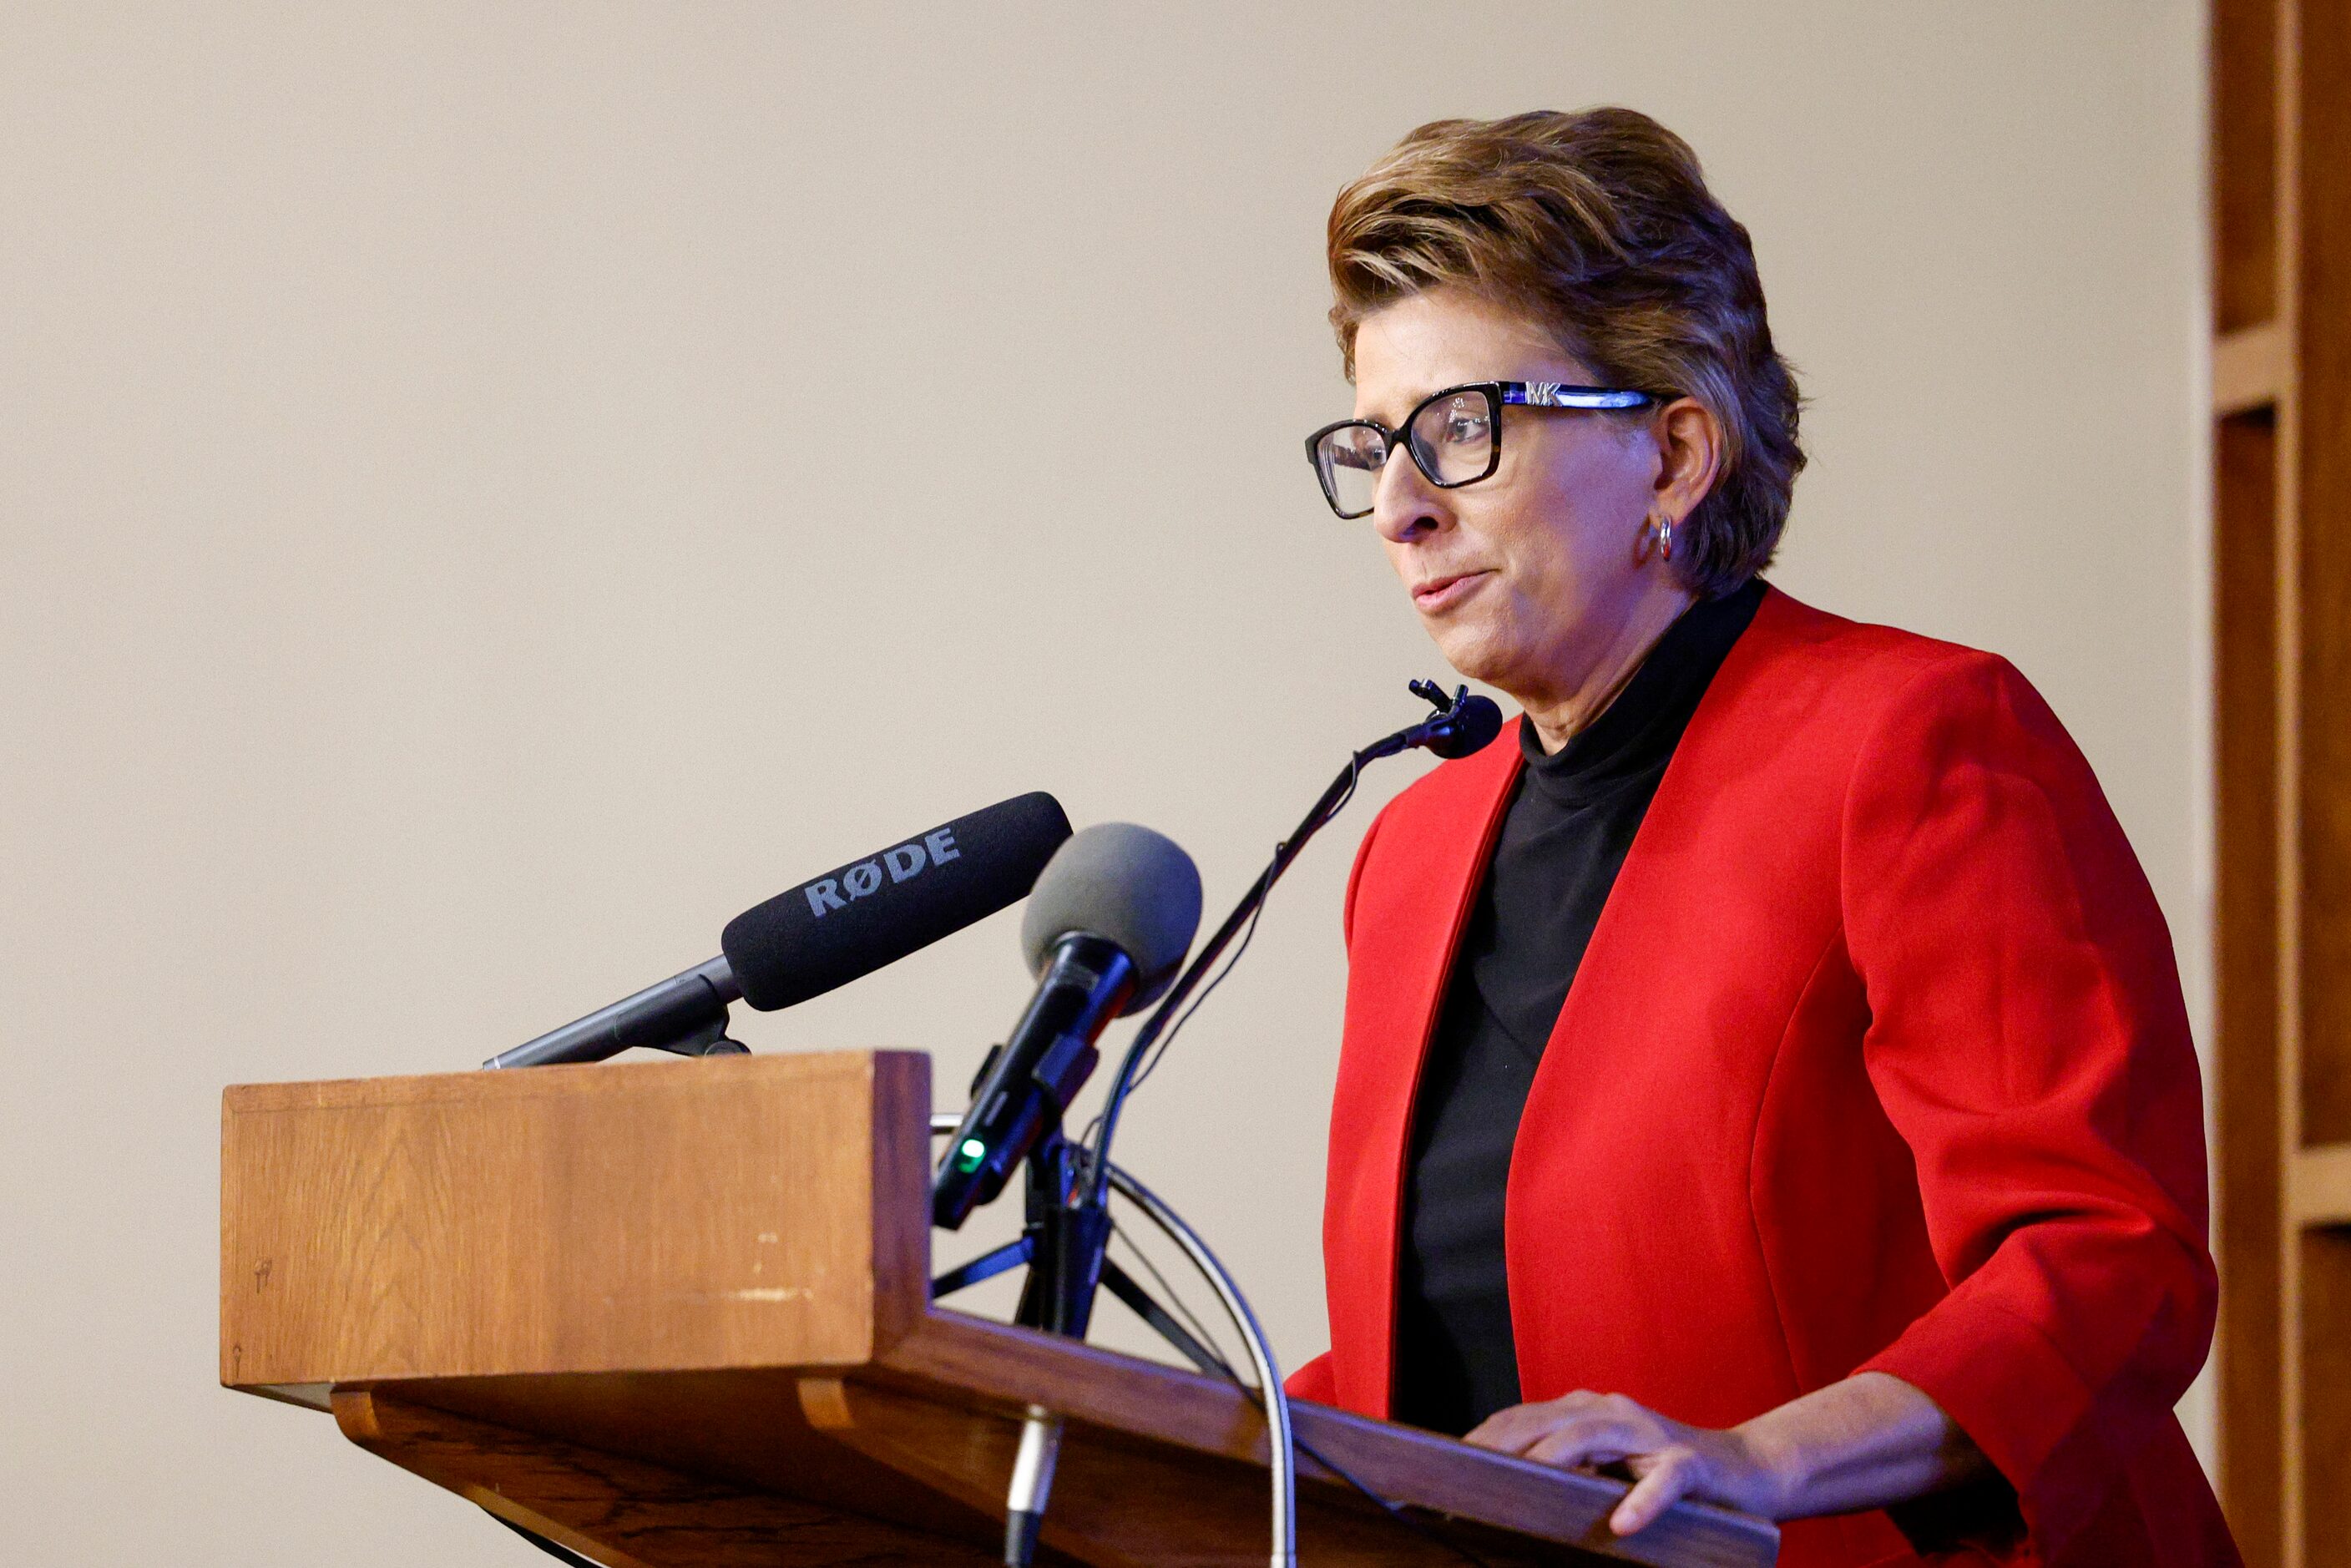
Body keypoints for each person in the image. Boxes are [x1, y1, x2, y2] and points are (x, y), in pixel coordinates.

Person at [1283, 109, 2238, 1568]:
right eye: (1374, 443)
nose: (1400, 508)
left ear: (1673, 454)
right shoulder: (1409, 853)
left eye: (1459, 429)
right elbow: (1436, 1371)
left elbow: (2106, 1260)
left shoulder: (1913, 742)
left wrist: (1748, 1463)